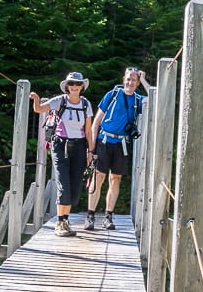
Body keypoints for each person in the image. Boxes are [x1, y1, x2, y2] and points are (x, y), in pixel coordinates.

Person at [30, 71, 95, 237]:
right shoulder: (60, 100)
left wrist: (91, 151)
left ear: (82, 87)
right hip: (60, 145)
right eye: (71, 84)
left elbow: (88, 131)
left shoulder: (86, 104)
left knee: (74, 185)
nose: (74, 87)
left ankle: (65, 220)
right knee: (63, 183)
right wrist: (36, 99)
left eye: (77, 84)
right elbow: (39, 109)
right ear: (67, 86)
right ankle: (59, 222)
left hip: (80, 146)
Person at [85, 67, 151, 231]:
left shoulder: (137, 99)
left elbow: (155, 98)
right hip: (104, 141)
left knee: (115, 180)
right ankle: (90, 216)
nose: (130, 82)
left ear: (137, 83)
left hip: (121, 144)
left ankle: (108, 217)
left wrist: (144, 80)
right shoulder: (112, 95)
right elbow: (96, 121)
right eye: (128, 79)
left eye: (134, 80)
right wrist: (91, 148)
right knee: (98, 178)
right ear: (123, 80)